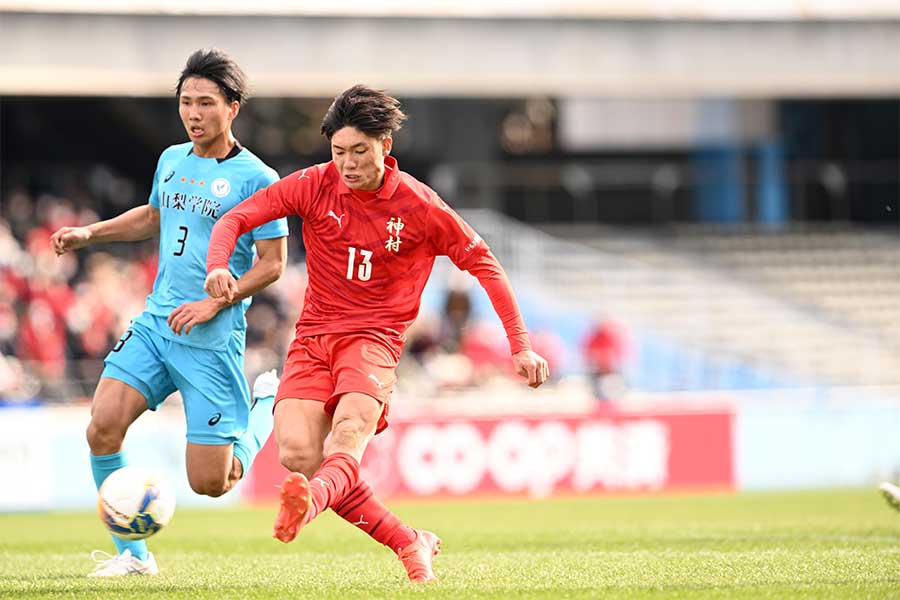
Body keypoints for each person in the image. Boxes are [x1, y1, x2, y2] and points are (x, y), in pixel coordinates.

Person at [204, 85, 550, 583]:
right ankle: (410, 541)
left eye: (359, 151)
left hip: (374, 342)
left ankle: (309, 506)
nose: (347, 163)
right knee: (300, 456)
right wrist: (219, 268)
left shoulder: (419, 205)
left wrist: (520, 346)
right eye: (338, 152)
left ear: (385, 146)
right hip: (313, 337)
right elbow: (236, 217)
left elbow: (485, 264)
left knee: (346, 437)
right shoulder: (312, 184)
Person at [49, 48, 289, 577]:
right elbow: (155, 216)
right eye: (186, 102)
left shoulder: (258, 178)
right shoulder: (171, 158)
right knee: (102, 428)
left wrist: (214, 301)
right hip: (157, 324)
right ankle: (134, 557)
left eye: (206, 103)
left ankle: (266, 406)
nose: (194, 113)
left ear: (233, 108)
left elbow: (273, 264)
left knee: (212, 482)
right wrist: (92, 232)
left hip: (211, 337)